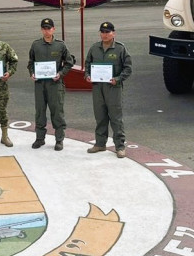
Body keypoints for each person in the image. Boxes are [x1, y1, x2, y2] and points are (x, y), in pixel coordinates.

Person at [85, 21, 133, 158]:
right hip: (97, 87)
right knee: (100, 116)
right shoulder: (94, 48)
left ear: (113, 33)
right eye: (102, 32)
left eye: (107, 32)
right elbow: (88, 64)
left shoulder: (120, 49)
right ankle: (100, 143)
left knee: (115, 117)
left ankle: (120, 146)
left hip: (113, 87)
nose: (105, 35)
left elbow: (128, 68)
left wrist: (118, 79)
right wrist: (87, 76)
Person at [27, 17, 74, 151]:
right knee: (40, 111)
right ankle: (40, 138)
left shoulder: (60, 45)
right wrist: (32, 73)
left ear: (54, 29)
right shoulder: (36, 45)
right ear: (41, 30)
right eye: (44, 28)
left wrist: (60, 74)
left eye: (49, 28)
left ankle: (59, 139)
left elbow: (69, 62)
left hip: (55, 84)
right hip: (40, 84)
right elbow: (31, 63)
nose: (46, 31)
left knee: (57, 111)